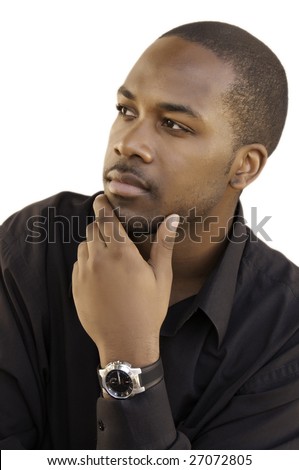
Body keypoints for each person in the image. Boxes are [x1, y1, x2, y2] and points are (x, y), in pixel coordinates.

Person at [0, 20, 298, 451]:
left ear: (244, 166)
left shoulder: (286, 334)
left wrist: (129, 356)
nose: (129, 142)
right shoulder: (33, 245)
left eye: (174, 125)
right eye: (126, 111)